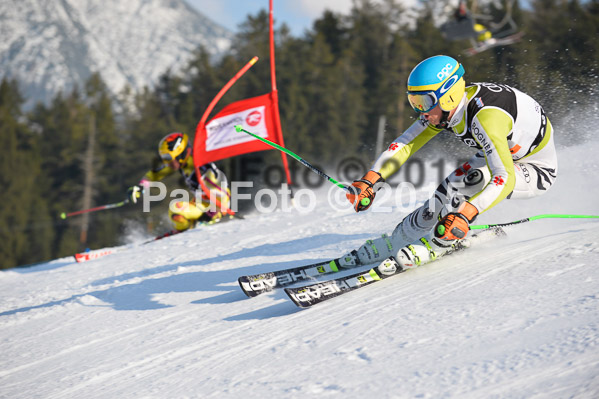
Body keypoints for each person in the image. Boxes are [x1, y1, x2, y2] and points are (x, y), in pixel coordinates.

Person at [343, 55, 557, 269]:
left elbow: (506, 177)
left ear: (448, 97)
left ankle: (438, 244)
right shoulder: (445, 111)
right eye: (414, 102)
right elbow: (406, 143)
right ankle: (398, 240)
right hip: (502, 154)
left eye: (424, 102)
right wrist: (369, 180)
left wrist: (466, 214)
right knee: (446, 191)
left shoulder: (486, 118)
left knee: (470, 183)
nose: (421, 112)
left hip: (536, 169)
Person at [128, 132, 231, 232]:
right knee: (175, 211)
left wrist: (213, 213)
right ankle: (186, 228)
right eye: (163, 158)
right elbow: (156, 174)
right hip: (201, 205)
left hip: (216, 208)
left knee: (176, 210)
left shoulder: (202, 168)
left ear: (180, 153)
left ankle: (188, 228)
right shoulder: (182, 164)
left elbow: (223, 194)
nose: (166, 162)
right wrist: (140, 187)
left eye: (168, 158)